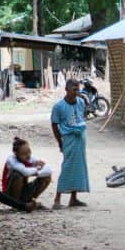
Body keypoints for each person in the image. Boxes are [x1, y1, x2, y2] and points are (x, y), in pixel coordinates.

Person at [50, 79, 90, 209]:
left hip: (80, 137)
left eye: (78, 89)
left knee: (78, 167)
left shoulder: (81, 102)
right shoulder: (58, 106)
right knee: (67, 167)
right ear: (66, 90)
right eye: (74, 89)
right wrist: (60, 142)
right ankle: (57, 199)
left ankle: (73, 198)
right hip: (68, 138)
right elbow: (55, 125)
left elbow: (80, 117)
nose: (76, 92)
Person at [2, 138, 54, 208]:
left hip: (23, 190)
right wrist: (37, 169)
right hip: (9, 194)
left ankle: (29, 201)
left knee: (47, 177)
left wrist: (36, 171)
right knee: (18, 175)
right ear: (15, 153)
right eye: (24, 153)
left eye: (29, 152)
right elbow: (24, 171)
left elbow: (49, 170)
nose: (28, 155)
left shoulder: (30, 158)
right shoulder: (11, 160)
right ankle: (17, 204)